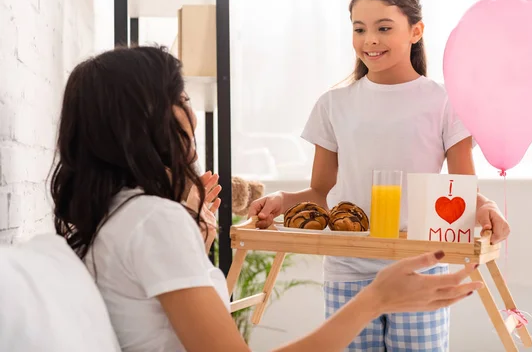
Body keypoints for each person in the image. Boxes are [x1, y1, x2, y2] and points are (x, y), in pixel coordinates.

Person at [51, 45, 482, 352]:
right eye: (181, 98)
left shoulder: (120, 214)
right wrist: (376, 299)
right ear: (141, 121)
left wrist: (196, 239)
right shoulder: (152, 221)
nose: (191, 114)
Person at [248, 0, 511, 352]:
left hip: (419, 267)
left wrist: (486, 208)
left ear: (416, 31)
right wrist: (281, 200)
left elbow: (462, 191)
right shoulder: (333, 104)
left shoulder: (445, 102)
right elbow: (321, 193)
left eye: (384, 27)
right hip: (348, 270)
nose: (370, 40)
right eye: (359, 29)